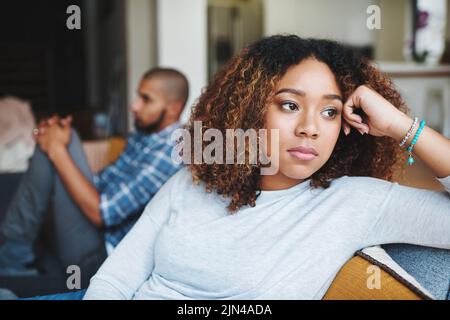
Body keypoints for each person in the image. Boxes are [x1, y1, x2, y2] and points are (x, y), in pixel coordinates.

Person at [30, 35, 450, 300]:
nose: (309, 128)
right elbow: (115, 280)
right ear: (250, 111)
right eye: (290, 105)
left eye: (329, 112)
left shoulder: (357, 202)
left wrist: (403, 127)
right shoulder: (193, 181)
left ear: (346, 125)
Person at [0, 68, 189, 292]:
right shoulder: (145, 136)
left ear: (173, 108)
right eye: (138, 96)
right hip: (96, 228)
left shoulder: (169, 152)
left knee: (58, 145)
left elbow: (102, 214)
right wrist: (57, 144)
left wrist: (58, 151)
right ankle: (13, 253)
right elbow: (102, 182)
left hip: (102, 254)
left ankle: (12, 257)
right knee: (61, 134)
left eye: (146, 99)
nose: (134, 105)